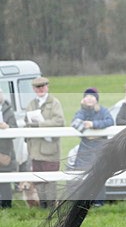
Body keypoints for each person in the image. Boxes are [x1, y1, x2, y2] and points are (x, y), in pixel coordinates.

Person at [24, 76, 65, 208]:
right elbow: (27, 122)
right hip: (34, 149)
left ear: (47, 87)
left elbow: (59, 122)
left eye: (42, 86)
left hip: (49, 149)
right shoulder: (31, 104)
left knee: (50, 181)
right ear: (33, 89)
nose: (40, 89)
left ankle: (52, 207)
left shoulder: (55, 103)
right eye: (37, 87)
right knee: (39, 180)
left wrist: (40, 124)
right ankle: (43, 206)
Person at [71, 88, 114, 206]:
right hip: (85, 149)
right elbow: (75, 122)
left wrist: (93, 125)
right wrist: (87, 132)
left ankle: (99, 202)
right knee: (83, 175)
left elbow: (110, 121)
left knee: (99, 175)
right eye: (87, 96)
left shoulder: (103, 110)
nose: (89, 98)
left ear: (96, 99)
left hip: (100, 148)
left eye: (92, 96)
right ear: (83, 99)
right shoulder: (82, 111)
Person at [0, 86, 19, 208]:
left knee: (5, 182)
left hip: (5, 151)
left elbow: (14, 130)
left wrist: (7, 127)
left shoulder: (8, 111)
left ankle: (7, 207)